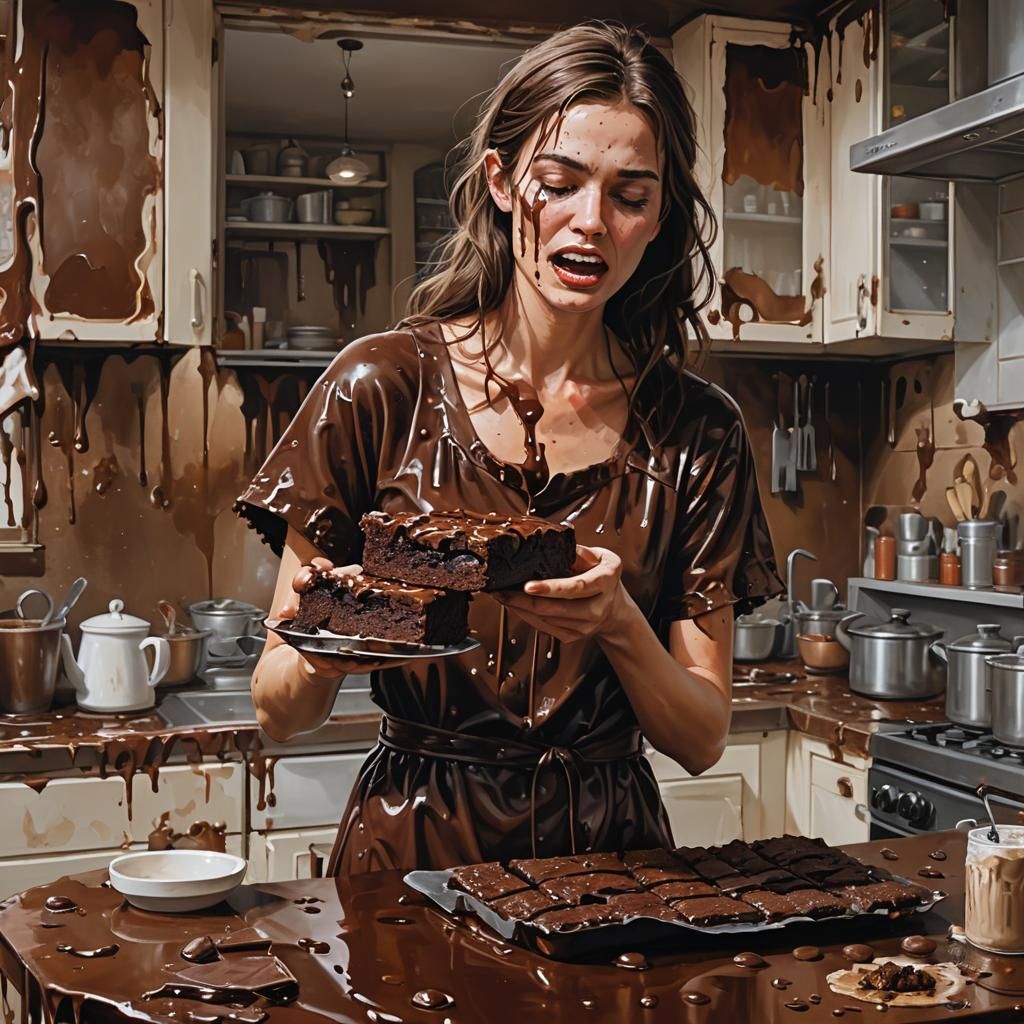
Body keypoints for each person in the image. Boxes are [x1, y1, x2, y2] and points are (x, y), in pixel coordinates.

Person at [236, 21, 781, 875]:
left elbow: (703, 738)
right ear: (500, 180)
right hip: (412, 847)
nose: (590, 221)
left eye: (630, 196)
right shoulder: (377, 388)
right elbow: (277, 710)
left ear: (658, 214)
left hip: (611, 863)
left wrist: (618, 623)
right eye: (558, 184)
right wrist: (339, 629)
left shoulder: (696, 433)